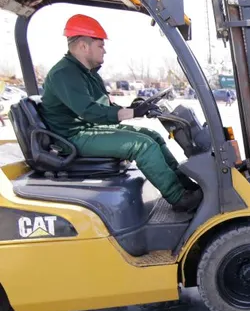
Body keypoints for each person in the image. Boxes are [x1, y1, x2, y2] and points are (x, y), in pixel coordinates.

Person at [40, 14, 202, 213]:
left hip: (89, 129)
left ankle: (188, 187)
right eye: (100, 45)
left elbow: (104, 106)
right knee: (142, 145)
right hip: (73, 137)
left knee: (153, 136)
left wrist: (133, 107)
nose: (104, 50)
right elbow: (91, 112)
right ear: (83, 46)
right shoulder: (64, 74)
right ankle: (179, 198)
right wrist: (133, 112)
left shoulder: (87, 74)